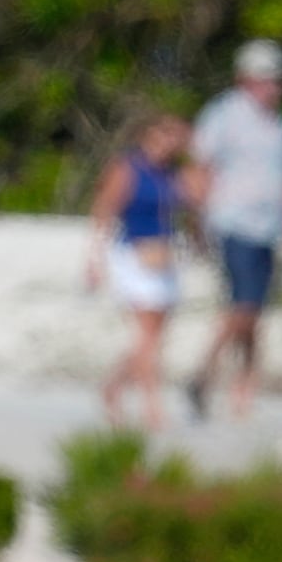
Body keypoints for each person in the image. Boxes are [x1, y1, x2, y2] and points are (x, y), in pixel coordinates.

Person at [182, 40, 282, 423]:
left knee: (255, 313)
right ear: (247, 79)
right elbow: (199, 171)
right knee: (245, 306)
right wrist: (196, 224)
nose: (276, 87)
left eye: (280, 80)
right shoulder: (222, 116)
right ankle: (203, 373)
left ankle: (243, 392)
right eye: (269, 79)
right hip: (231, 223)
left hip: (269, 230)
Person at [84, 112, 191, 431]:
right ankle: (152, 407)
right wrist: (94, 258)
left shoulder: (173, 173)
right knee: (146, 334)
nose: (167, 143)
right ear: (147, 136)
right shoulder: (128, 167)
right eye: (162, 136)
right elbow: (105, 208)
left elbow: (193, 205)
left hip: (163, 254)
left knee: (155, 336)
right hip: (131, 253)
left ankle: (113, 387)